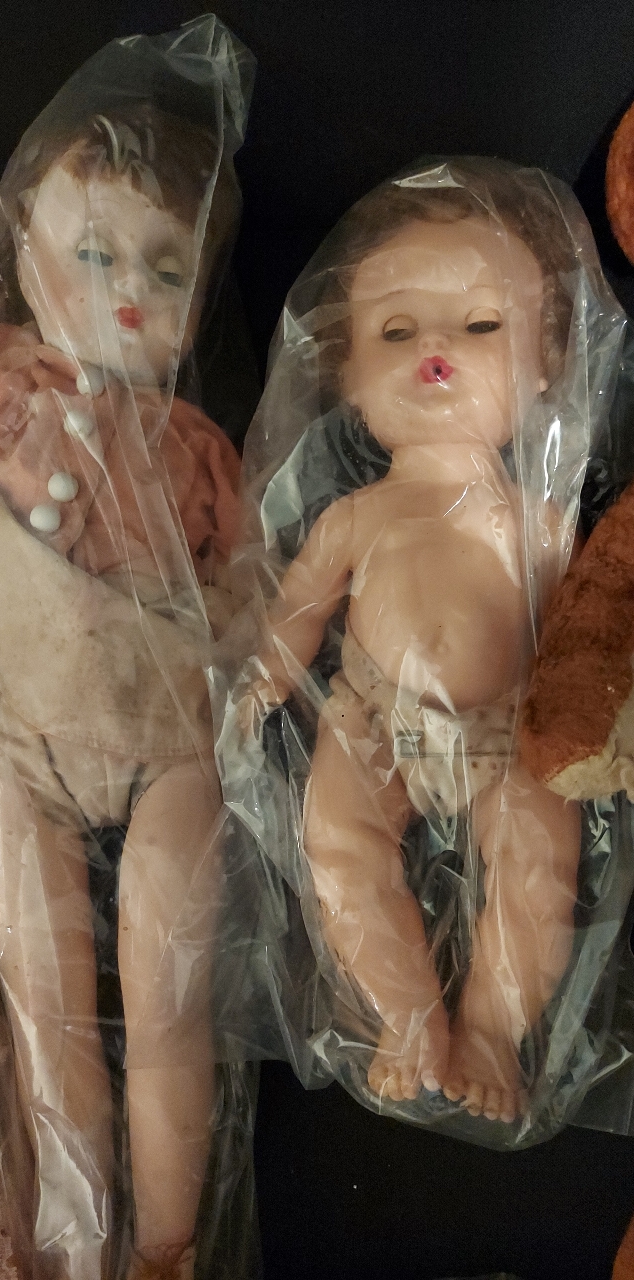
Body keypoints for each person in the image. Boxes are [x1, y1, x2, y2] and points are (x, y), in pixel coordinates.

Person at [0, 39, 246, 1280]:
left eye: (167, 269)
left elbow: (248, 589)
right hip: (27, 755)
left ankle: (165, 1242)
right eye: (94, 254)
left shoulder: (197, 445)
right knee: (42, 999)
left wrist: (259, 662)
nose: (130, 296)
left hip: (170, 753)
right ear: (25, 259)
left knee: (166, 996)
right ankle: (66, 1239)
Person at [239, 164, 604, 1127]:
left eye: (480, 325)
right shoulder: (357, 514)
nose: (434, 347)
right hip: (371, 714)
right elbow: (300, 606)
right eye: (396, 332)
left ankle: (490, 1026)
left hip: (511, 726)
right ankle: (406, 1015)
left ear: (542, 366)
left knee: (538, 867)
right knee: (339, 849)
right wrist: (266, 675)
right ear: (350, 376)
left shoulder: (539, 522)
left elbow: (590, 631)